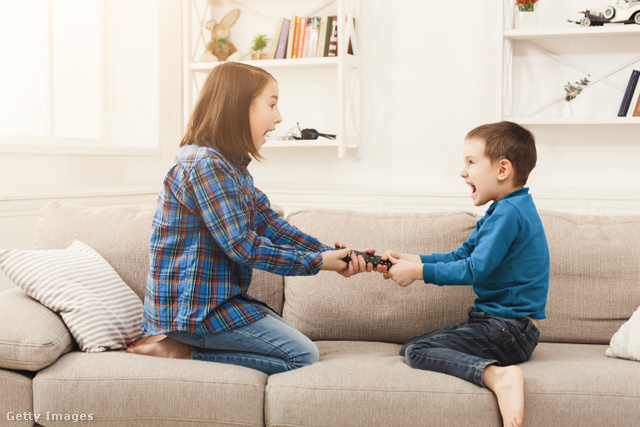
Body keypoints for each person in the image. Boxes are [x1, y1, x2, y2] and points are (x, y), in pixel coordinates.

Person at [127, 62, 370, 375]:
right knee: (302, 355)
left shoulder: (231, 166)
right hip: (193, 311)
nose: (279, 117)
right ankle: (178, 349)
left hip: (218, 302)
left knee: (293, 342)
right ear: (238, 108)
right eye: (271, 104)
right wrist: (318, 263)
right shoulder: (204, 164)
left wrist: (331, 254)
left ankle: (185, 343)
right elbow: (243, 246)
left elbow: (270, 225)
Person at [378, 121, 549, 427]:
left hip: (510, 330)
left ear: (502, 170)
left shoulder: (509, 214)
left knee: (418, 351)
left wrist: (417, 272)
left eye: (471, 162)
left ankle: (498, 376)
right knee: (410, 347)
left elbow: (474, 269)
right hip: (500, 326)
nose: (463, 171)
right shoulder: (504, 210)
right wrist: (411, 258)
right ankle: (494, 371)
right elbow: (460, 255)